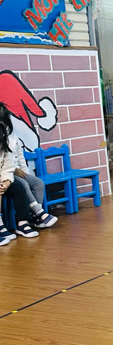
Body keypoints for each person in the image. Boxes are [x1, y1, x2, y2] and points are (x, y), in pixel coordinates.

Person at [0, 102, 40, 245]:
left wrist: (6, 180)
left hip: (4, 176)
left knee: (18, 187)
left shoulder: (6, 139)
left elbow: (8, 163)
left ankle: (23, 222)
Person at [12, 134, 57, 229]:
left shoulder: (13, 136)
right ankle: (40, 212)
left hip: (18, 170)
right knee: (23, 184)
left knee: (38, 183)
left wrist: (26, 174)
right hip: (7, 173)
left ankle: (35, 217)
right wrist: (13, 169)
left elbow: (20, 158)